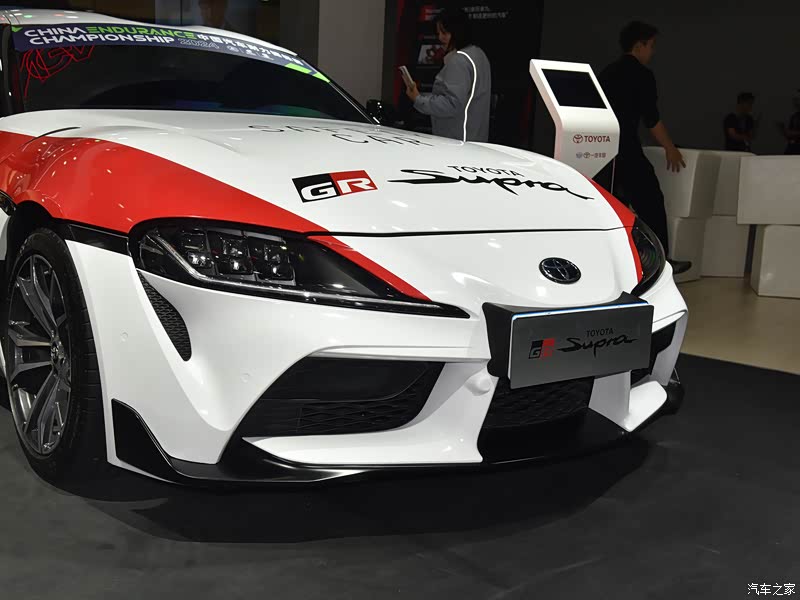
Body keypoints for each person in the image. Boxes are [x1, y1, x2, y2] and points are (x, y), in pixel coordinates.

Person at [598, 21, 690, 274]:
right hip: (626, 147)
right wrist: (670, 148)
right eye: (651, 45)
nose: (653, 51)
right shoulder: (642, 75)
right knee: (651, 201)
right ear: (639, 45)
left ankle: (613, 263)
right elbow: (651, 119)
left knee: (610, 205)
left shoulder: (607, 72)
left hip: (603, 149)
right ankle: (661, 262)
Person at [404, 7, 491, 142]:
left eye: (444, 32)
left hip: (457, 140)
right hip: (474, 137)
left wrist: (418, 99)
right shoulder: (478, 54)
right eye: (438, 33)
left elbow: (451, 104)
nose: (440, 37)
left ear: (457, 31)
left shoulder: (459, 60)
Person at [778, 91, 800, 155]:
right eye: (795, 99)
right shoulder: (794, 116)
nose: (796, 101)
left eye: (797, 99)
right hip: (793, 148)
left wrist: (791, 133)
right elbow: (789, 136)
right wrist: (783, 129)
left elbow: (791, 133)